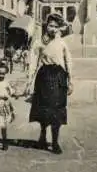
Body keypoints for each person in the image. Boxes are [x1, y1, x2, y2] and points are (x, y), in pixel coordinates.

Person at [29, 13, 73, 154]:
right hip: (44, 77)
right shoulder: (39, 42)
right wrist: (29, 81)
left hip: (59, 78)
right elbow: (33, 62)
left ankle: (55, 142)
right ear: (46, 26)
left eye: (55, 26)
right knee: (43, 110)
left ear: (59, 28)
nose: (53, 29)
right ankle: (42, 136)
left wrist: (71, 80)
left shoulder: (62, 43)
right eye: (50, 26)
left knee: (57, 111)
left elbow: (68, 62)